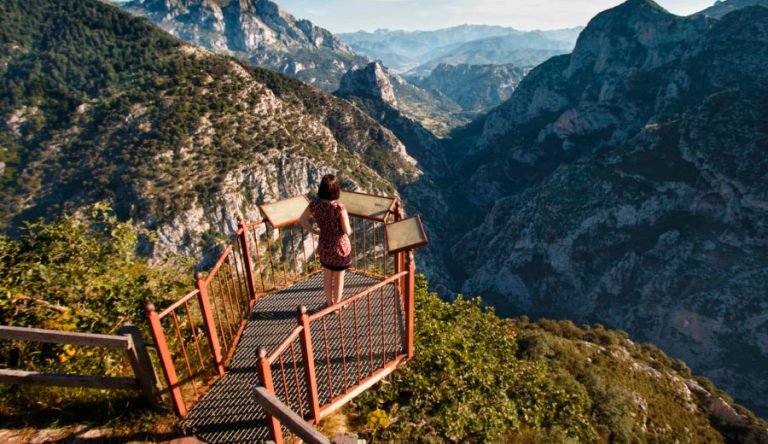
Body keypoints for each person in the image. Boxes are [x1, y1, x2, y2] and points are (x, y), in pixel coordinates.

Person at [300, 174, 353, 307]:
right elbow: (347, 231)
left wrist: (315, 231)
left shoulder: (314, 205)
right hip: (340, 248)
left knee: (328, 275)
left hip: (324, 245)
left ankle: (329, 303)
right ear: (336, 190)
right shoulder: (339, 208)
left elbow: (302, 220)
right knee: (339, 277)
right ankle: (337, 305)